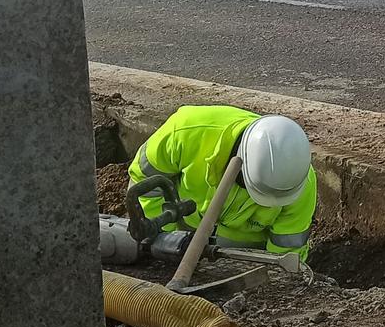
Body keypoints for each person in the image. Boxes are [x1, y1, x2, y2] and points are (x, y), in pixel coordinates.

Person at [128, 105, 317, 260]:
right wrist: (161, 240)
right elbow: (143, 180)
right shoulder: (187, 131)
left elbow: (287, 250)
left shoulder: (300, 184)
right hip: (181, 238)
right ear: (242, 169)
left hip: (244, 260)